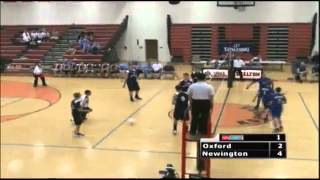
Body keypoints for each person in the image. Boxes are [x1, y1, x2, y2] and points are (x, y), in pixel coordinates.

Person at [187, 72, 214, 139]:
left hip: (195, 102)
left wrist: (191, 103)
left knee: (194, 117)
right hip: (205, 103)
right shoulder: (209, 86)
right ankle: (203, 131)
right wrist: (211, 105)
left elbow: (189, 95)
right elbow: (211, 97)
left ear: (197, 78)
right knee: (205, 117)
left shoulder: (192, 86)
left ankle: (193, 131)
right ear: (205, 78)